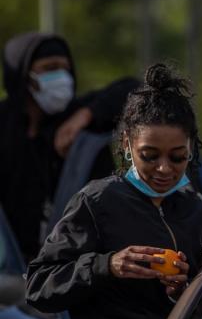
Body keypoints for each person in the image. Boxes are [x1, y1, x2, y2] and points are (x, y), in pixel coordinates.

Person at [26, 63, 202, 319]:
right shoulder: (97, 202)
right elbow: (39, 286)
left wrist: (184, 290)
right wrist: (106, 265)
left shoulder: (194, 206)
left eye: (177, 156)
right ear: (127, 144)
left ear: (191, 147)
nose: (165, 169)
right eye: (150, 156)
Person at [0, 32, 138, 260]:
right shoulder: (5, 124)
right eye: (50, 67)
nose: (61, 76)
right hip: (9, 269)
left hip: (67, 264)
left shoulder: (75, 114)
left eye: (65, 68)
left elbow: (135, 89)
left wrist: (85, 115)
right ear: (24, 74)